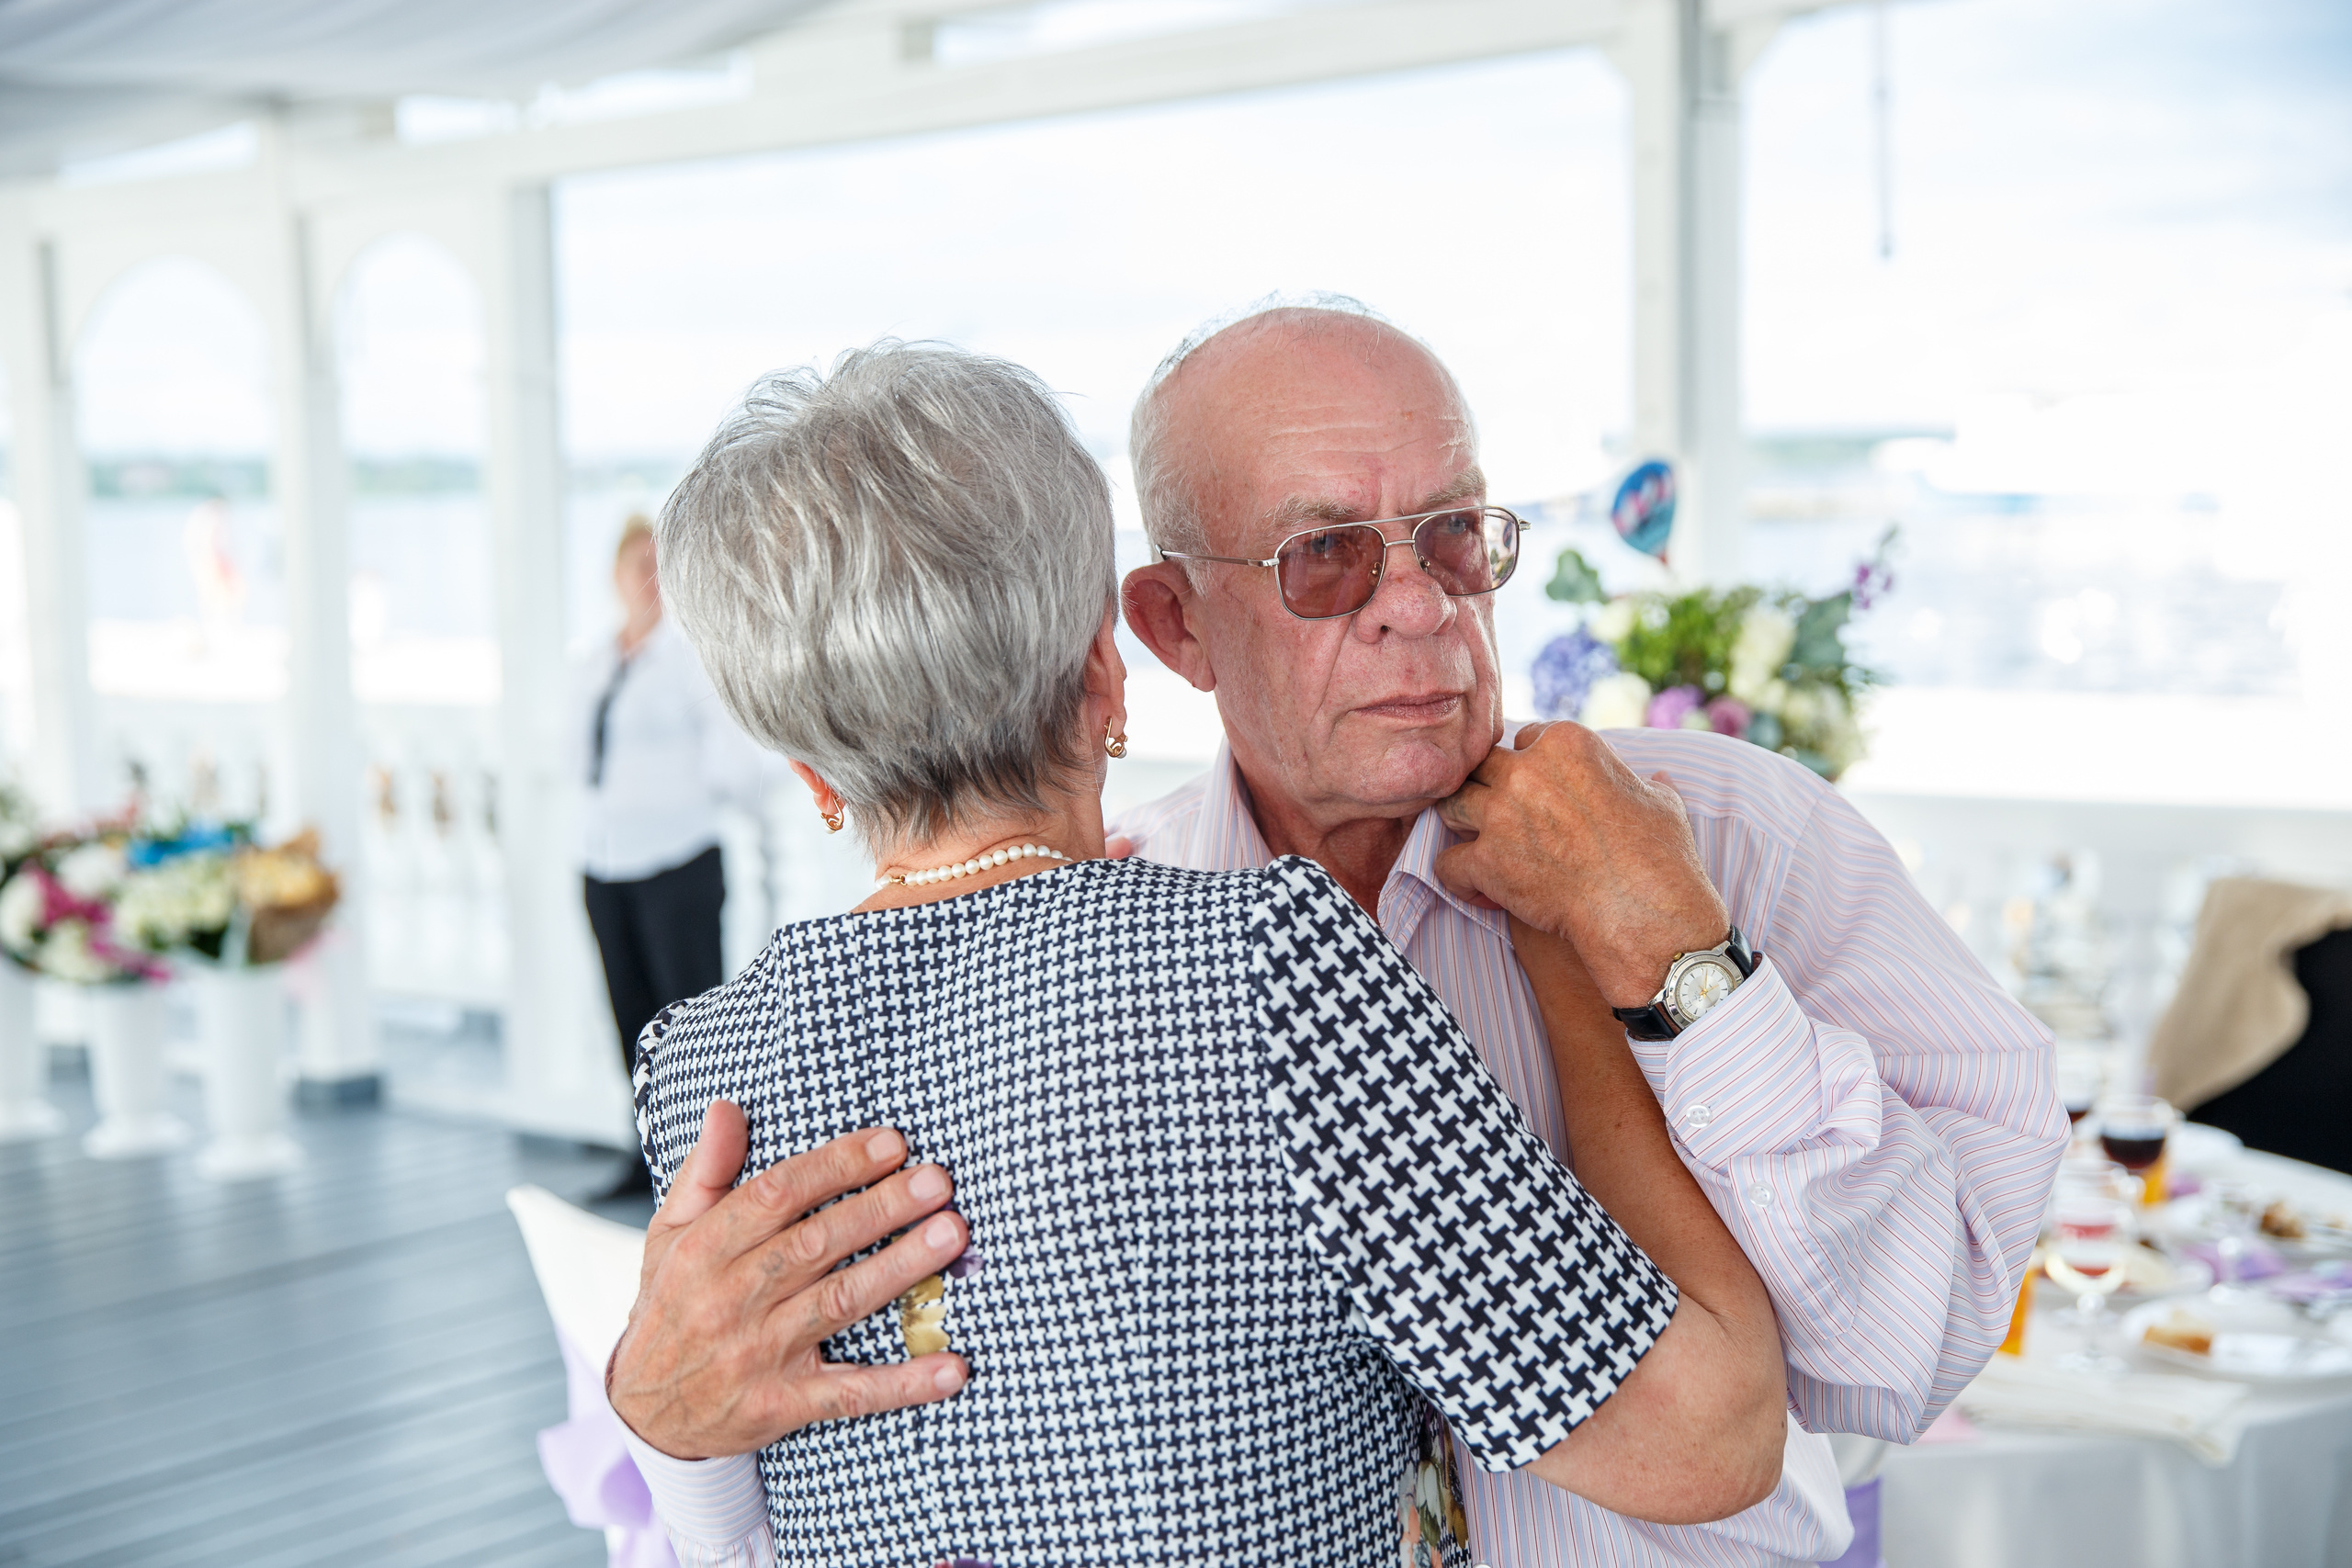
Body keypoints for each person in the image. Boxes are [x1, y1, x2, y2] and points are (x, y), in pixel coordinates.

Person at [613, 301, 2069, 1566]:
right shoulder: (1242, 958)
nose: (1424, 605)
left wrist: (1671, 949)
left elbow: (1909, 1356)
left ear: (806, 772)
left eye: (1456, 533)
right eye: (1325, 557)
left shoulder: (1736, 836)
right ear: (1146, 644)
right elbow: (1706, 1421)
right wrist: (662, 1406)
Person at [575, 513, 765, 1197]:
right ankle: (644, 1154)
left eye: (660, 566)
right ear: (615, 577)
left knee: (686, 1021)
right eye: (638, 566)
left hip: (677, 862)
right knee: (628, 1014)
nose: (650, 580)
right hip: (606, 863)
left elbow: (735, 763)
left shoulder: (689, 660)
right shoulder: (598, 660)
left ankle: (700, 1166)